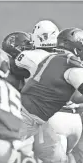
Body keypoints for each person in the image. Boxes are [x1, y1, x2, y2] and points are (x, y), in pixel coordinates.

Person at [19, 27, 83, 163]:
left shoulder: (51, 57)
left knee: (56, 158)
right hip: (26, 118)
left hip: (41, 120)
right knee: (11, 156)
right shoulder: (71, 66)